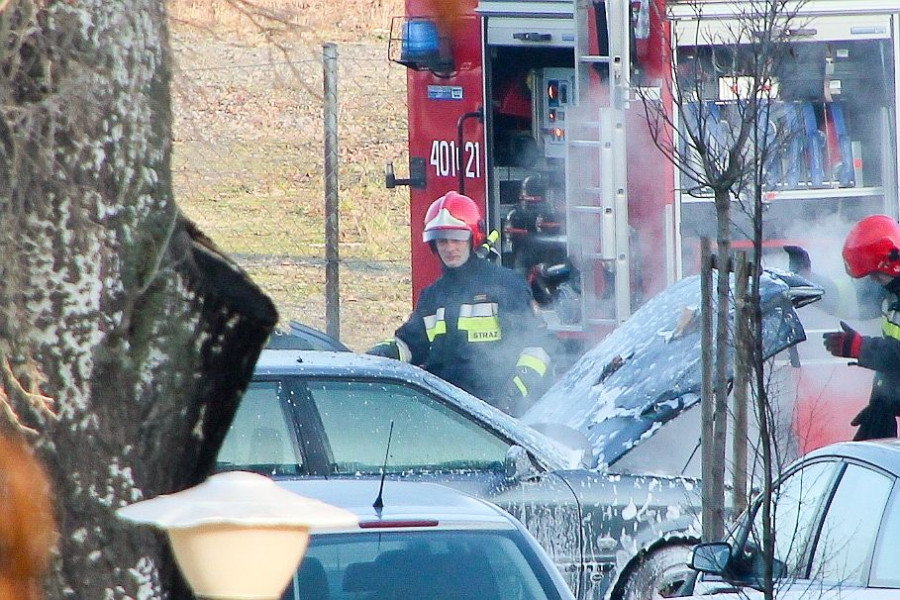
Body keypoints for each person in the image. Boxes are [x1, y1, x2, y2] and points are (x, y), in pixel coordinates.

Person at [368, 191, 553, 416]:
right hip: (443, 412)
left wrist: (511, 397)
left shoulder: (506, 287)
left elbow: (536, 349)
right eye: (442, 241)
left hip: (494, 415)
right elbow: (408, 346)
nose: (450, 248)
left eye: (457, 238)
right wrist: (372, 357)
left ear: (472, 238)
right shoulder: (433, 296)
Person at [823, 214, 900, 440]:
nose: (873, 281)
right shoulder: (890, 290)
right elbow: (849, 299)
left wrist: (860, 348)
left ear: (891, 262)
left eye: (875, 275)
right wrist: (882, 402)